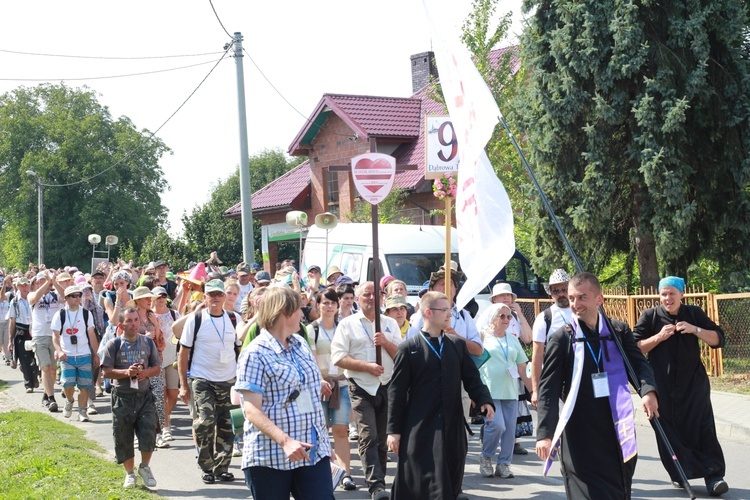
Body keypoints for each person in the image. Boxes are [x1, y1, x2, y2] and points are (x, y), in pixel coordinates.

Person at [536, 272, 659, 499]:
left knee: (617, 488)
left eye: (582, 297)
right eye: (572, 298)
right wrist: (545, 433)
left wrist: (647, 391)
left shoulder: (618, 332)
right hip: (580, 432)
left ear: (598, 299)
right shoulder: (563, 339)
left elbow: (639, 365)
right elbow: (548, 389)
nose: (575, 304)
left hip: (616, 425)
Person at [387, 291, 494, 500]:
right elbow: (396, 393)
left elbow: (472, 379)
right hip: (420, 428)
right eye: (444, 310)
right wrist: (394, 431)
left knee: (450, 481)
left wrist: (484, 400)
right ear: (428, 312)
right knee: (422, 484)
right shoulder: (409, 349)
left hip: (452, 427)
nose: (449, 315)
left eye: (450, 310)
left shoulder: (456, 345)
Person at [633, 276, 728, 496]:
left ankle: (715, 477)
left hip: (694, 386)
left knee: (703, 430)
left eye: (672, 293)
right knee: (669, 432)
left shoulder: (694, 313)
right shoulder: (650, 316)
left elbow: (718, 339)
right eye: (663, 294)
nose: (667, 298)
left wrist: (695, 330)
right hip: (662, 387)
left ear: (682, 294)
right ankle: (679, 473)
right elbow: (636, 347)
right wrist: (658, 337)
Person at [236, 286, 335, 499]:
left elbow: (311, 395)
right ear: (284, 312)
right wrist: (285, 441)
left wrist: (325, 445)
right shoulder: (255, 354)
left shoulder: (300, 343)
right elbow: (251, 410)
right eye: (299, 309)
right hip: (269, 457)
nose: (303, 313)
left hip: (312, 454)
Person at [331, 281, 402, 500]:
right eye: (366, 295)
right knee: (368, 435)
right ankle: (376, 486)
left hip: (386, 385)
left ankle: (379, 481)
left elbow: (402, 355)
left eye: (375, 294)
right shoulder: (347, 324)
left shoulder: (390, 323)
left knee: (381, 438)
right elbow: (338, 357)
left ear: (382, 297)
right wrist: (366, 366)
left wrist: (387, 343)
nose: (371, 298)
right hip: (361, 386)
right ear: (357, 298)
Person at [178, 279, 246, 484]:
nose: (215, 298)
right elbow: (183, 354)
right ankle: (206, 465)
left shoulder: (234, 318)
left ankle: (221, 467)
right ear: (205, 297)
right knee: (205, 422)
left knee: (228, 426)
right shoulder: (196, 319)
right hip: (203, 379)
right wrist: (183, 385)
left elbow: (240, 350)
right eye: (211, 294)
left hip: (229, 380)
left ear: (225, 296)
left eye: (219, 294)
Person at [100, 307, 160, 488]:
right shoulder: (114, 344)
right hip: (123, 397)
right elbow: (106, 372)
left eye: (135, 320)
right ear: (121, 324)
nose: (133, 324)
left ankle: (145, 467)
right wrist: (127, 372)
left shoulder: (148, 343)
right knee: (123, 436)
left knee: (148, 432)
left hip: (145, 396)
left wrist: (146, 373)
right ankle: (130, 473)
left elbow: (157, 367)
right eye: (129, 321)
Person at [307, 288, 357, 491]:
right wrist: (319, 380)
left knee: (341, 429)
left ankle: (345, 474)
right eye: (325, 303)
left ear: (338, 306)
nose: (329, 307)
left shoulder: (343, 327)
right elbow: (311, 358)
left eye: (332, 303)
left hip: (342, 383)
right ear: (318, 305)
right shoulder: (312, 329)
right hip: (320, 385)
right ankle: (321, 473)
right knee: (319, 432)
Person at [478, 303, 532, 479]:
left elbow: (522, 368)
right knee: (496, 425)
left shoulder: (513, 339)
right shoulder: (482, 337)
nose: (506, 320)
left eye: (509, 317)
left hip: (510, 391)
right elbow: (474, 365)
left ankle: (504, 464)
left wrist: (533, 391)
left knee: (509, 429)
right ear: (492, 317)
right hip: (490, 391)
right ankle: (486, 456)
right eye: (502, 316)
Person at [51, 285, 100, 421]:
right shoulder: (60, 314)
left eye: (79, 295)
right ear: (66, 298)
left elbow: (92, 335)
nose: (78, 298)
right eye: (74, 296)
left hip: (84, 354)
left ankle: (82, 411)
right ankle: (69, 400)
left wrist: (96, 354)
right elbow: (55, 335)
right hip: (67, 355)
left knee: (84, 385)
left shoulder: (86, 313)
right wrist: (59, 351)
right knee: (68, 384)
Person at [530, 269, 573, 407]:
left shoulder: (582, 312)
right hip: (555, 379)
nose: (561, 293)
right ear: (550, 293)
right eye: (556, 290)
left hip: (580, 376)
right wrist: (536, 390)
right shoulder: (544, 318)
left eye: (564, 289)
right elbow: (536, 357)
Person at [28, 270, 65, 411]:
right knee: (45, 367)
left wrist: (54, 282)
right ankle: (51, 399)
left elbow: (66, 296)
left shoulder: (55, 294)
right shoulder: (33, 294)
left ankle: (46, 394)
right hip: (40, 336)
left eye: (46, 280)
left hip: (54, 335)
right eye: (42, 280)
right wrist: (45, 283)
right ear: (37, 282)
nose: (45, 282)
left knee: (53, 370)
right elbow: (33, 299)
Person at [152, 285, 179, 443]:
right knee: (161, 395)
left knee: (173, 395)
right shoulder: (150, 315)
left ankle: (163, 418)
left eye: (163, 296)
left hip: (172, 357)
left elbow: (180, 333)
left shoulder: (174, 314)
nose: (161, 299)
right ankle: (165, 426)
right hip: (157, 359)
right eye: (158, 296)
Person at [8, 277, 38, 392]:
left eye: (26, 285)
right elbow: (12, 321)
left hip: (34, 330)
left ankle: (34, 375)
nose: (24, 288)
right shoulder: (14, 301)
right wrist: (10, 340)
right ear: (18, 287)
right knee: (24, 359)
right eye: (22, 285)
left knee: (35, 358)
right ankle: (28, 384)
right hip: (21, 330)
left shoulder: (34, 299)